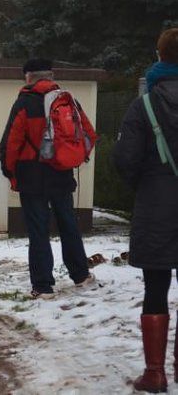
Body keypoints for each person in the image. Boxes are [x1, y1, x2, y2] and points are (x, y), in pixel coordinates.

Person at [0, 58, 97, 300]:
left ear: (28, 77)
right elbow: (89, 134)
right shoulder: (68, 100)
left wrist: (9, 171)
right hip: (61, 172)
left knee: (38, 230)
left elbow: (11, 143)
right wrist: (72, 157)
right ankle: (81, 275)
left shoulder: (24, 103)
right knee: (68, 224)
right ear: (51, 76)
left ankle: (43, 286)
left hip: (31, 176)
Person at [114, 28, 178, 393]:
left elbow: (126, 160)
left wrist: (147, 187)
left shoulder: (144, 106)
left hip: (156, 207)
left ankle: (155, 373)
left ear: (160, 57)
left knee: (156, 286)